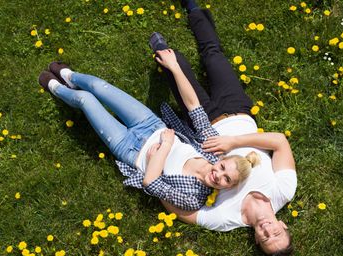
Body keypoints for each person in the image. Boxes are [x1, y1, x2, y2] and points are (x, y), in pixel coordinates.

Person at [152, 2, 298, 256]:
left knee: (175, 63)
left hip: (202, 122)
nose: (268, 232)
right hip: (237, 109)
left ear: (256, 239)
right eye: (276, 233)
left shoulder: (227, 219)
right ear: (283, 226)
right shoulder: (283, 191)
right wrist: (233, 142)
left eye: (265, 240)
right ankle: (193, 8)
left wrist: (158, 183)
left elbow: (187, 214)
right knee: (213, 54)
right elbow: (279, 142)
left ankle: (161, 50)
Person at [37, 58, 260, 211]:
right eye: (223, 168)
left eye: (226, 179)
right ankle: (70, 75)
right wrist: (174, 67)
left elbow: (151, 182)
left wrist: (164, 149)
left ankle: (57, 89)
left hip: (129, 149)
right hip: (150, 124)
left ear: (229, 187)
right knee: (99, 86)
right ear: (223, 160)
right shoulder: (213, 150)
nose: (218, 175)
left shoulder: (194, 198)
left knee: (85, 100)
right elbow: (196, 109)